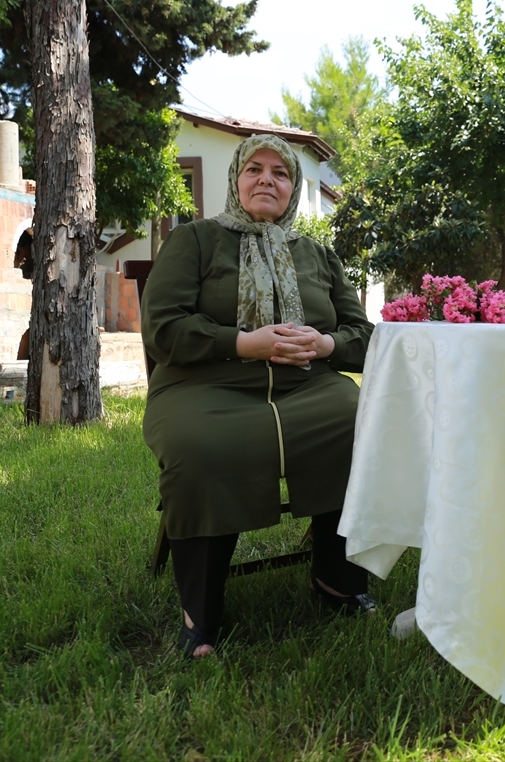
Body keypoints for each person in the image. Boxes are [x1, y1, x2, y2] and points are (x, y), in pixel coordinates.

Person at [141, 134, 375, 659]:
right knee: (202, 447)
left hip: (307, 386)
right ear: (236, 180)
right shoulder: (196, 240)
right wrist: (244, 343)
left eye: (281, 173)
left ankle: (338, 580)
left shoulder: (316, 254)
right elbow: (164, 329)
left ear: (293, 189)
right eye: (255, 169)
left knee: (361, 423)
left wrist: (325, 342)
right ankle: (200, 614)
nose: (267, 179)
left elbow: (363, 335)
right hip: (205, 387)